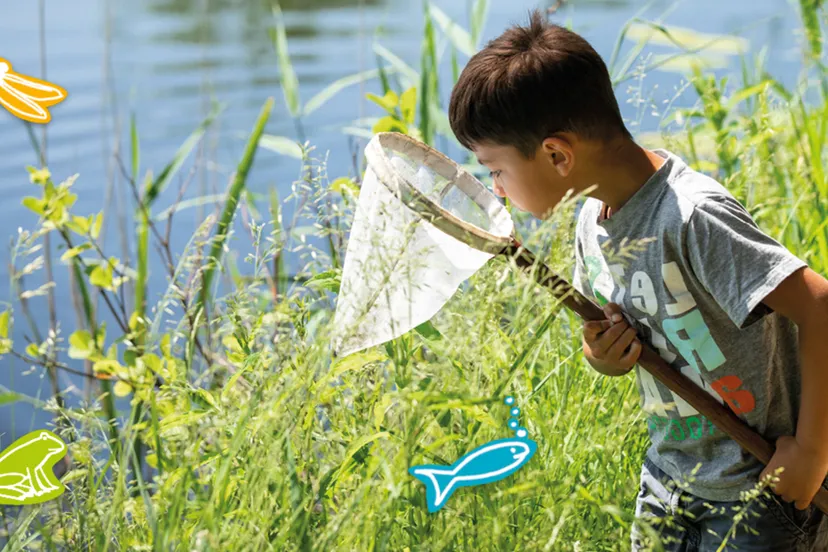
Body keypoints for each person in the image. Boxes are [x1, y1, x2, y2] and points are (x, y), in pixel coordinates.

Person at [447, 8, 828, 551]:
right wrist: (602, 354)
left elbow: (820, 308)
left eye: (496, 169)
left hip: (759, 489)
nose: (498, 188)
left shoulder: (691, 217)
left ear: (557, 154)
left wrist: (812, 454)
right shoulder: (591, 219)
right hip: (668, 482)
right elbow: (616, 334)